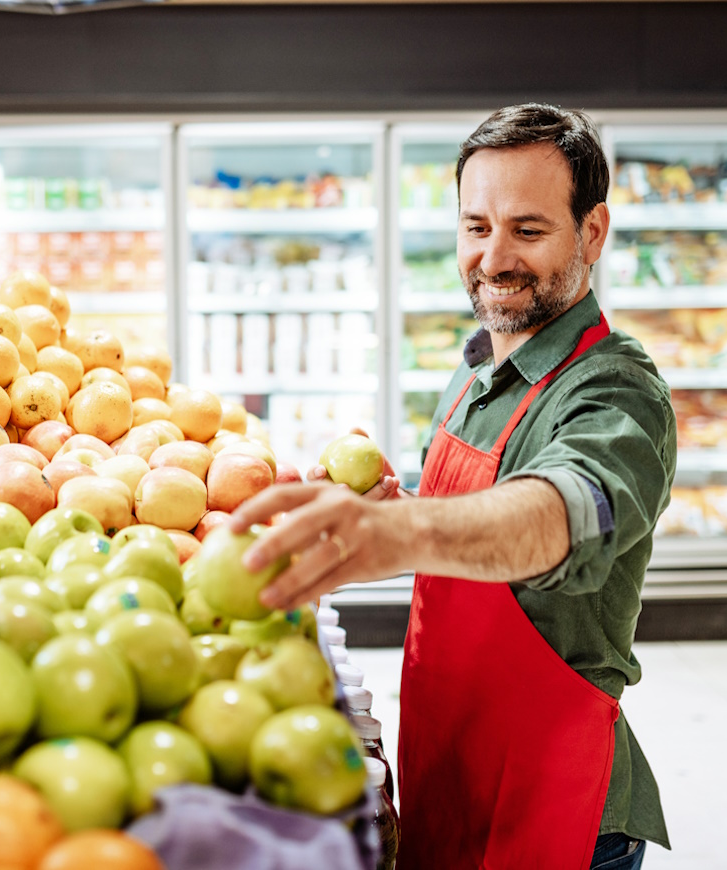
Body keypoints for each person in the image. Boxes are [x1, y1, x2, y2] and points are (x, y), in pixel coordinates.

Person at [227, 104, 676, 870]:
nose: (493, 257)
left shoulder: (617, 393)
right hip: (449, 760)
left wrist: (402, 535)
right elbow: (467, 531)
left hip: (555, 810)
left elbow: (561, 512)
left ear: (592, 233)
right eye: (476, 227)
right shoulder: (477, 366)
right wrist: (391, 515)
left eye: (528, 231)